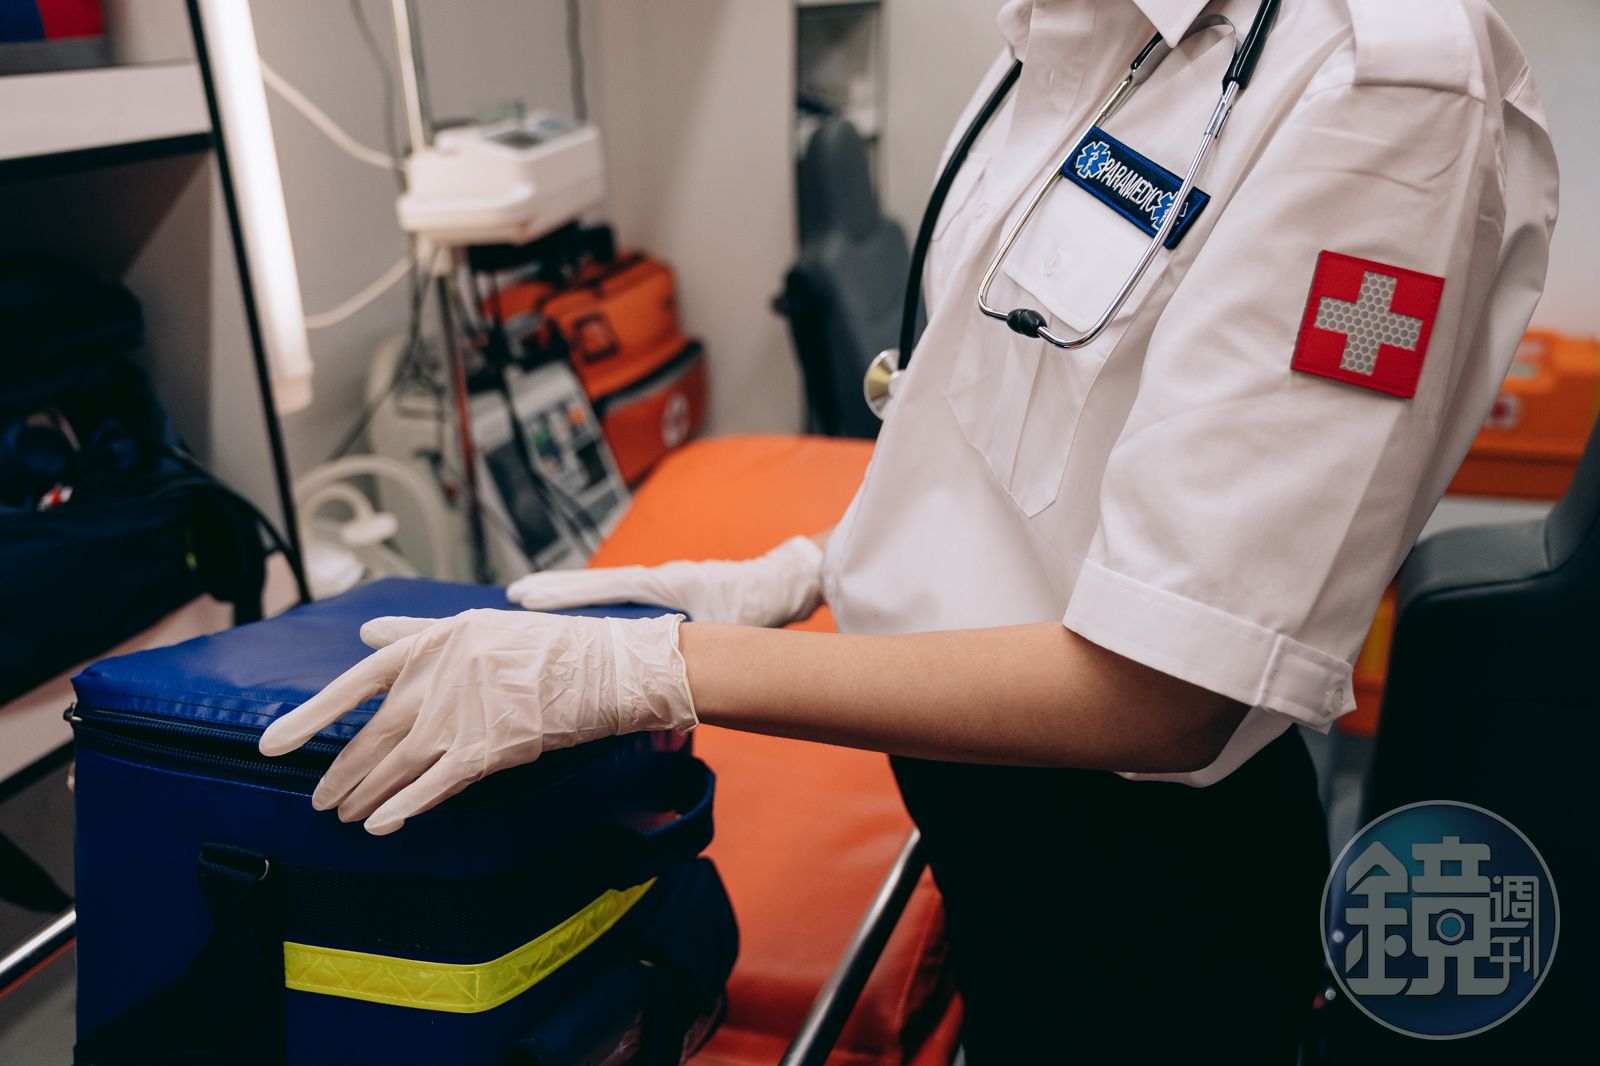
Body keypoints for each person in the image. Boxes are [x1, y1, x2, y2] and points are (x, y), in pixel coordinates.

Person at [261, 0, 1558, 1059]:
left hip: (1137, 887)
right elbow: (1010, 417)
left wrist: (657, 666)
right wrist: (824, 566)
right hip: (986, 832)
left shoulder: (1382, 93)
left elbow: (1171, 688)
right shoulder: (1076, 34)